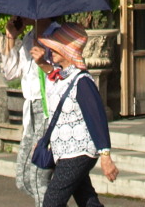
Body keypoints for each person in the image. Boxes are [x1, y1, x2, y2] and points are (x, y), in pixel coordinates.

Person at [34, 22, 118, 207]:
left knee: (52, 202)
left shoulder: (83, 81)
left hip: (78, 152)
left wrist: (105, 156)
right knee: (87, 200)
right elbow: (53, 79)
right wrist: (41, 62)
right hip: (65, 151)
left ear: (68, 52)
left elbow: (97, 118)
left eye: (56, 47)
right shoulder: (63, 76)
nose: (50, 51)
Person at [0, 16, 64, 205]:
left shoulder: (57, 36)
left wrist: (44, 62)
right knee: (23, 181)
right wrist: (11, 38)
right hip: (31, 112)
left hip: (48, 110)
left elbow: (64, 76)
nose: (19, 15)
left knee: (38, 179)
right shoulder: (29, 37)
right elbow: (10, 72)